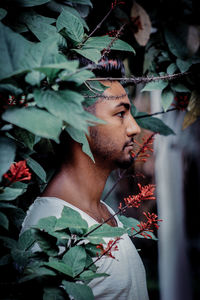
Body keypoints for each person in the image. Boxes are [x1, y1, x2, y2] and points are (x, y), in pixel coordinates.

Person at [21, 59, 149, 300]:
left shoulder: (102, 214)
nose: (134, 128)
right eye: (120, 114)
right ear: (77, 123)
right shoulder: (51, 230)